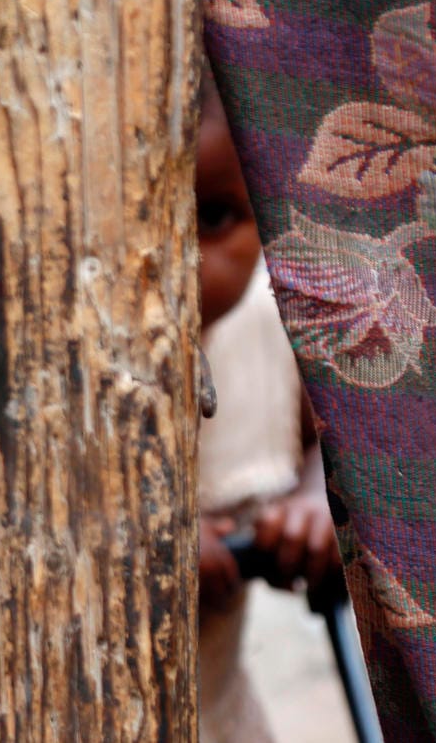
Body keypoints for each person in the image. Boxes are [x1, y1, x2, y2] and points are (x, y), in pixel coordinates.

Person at [194, 77, 341, 743]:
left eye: (212, 219)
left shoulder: (268, 329)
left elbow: (327, 446)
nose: (173, 262)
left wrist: (316, 503)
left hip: (214, 716)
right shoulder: (2, 356)